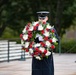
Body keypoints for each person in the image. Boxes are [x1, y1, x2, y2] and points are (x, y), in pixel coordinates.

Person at [32, 11, 58, 75]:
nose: (41, 20)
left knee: (47, 71)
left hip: (47, 55)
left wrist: (49, 45)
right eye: (40, 18)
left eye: (43, 18)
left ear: (47, 18)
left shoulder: (51, 29)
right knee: (36, 71)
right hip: (36, 54)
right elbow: (30, 40)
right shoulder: (34, 29)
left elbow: (57, 40)